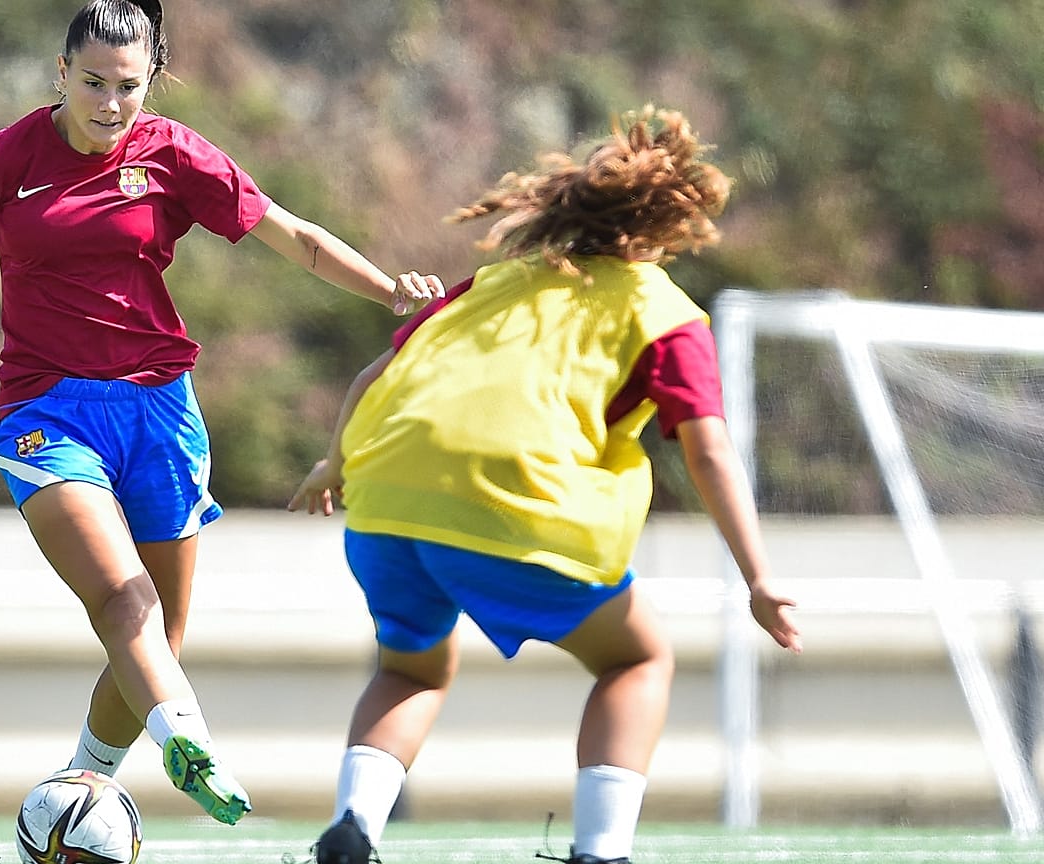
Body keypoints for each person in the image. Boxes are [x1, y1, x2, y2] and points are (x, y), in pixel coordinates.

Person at [0, 0, 441, 827]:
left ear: (152, 81)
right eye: (92, 82)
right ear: (61, 72)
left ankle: (79, 784)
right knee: (123, 600)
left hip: (161, 413)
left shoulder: (173, 154)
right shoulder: (6, 160)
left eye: (128, 87)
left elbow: (296, 237)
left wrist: (391, 291)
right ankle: (190, 743)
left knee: (158, 637)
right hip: (48, 414)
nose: (110, 104)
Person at [288, 106, 802, 863]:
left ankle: (354, 827)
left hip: (385, 504)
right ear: (666, 226)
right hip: (516, 508)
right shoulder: (663, 311)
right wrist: (758, 578)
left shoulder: (495, 280)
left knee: (410, 669)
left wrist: (332, 464)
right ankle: (602, 852)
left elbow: (374, 376)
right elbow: (710, 451)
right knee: (637, 660)